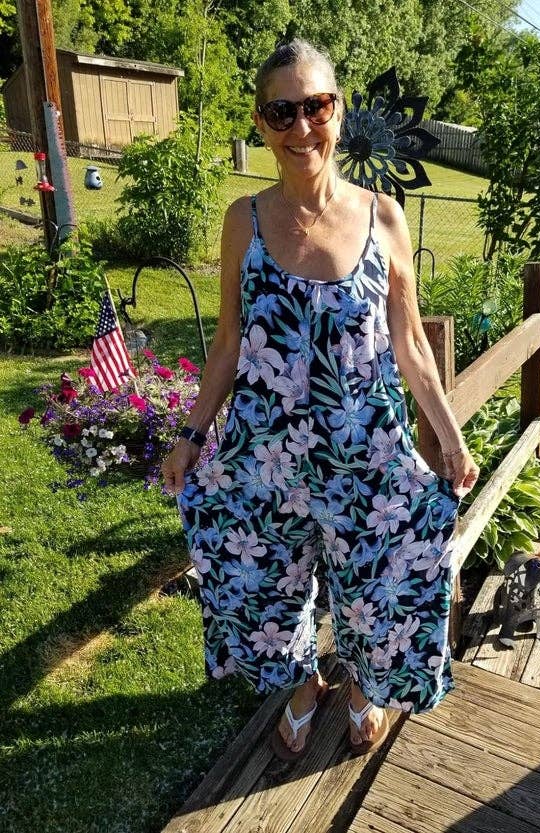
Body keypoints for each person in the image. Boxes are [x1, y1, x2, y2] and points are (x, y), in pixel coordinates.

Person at [161, 38, 479, 761]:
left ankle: (363, 687)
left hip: (365, 457)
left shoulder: (383, 218)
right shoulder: (243, 220)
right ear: (260, 122)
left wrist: (450, 436)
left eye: (316, 106)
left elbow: (411, 344)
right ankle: (304, 686)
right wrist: (191, 434)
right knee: (266, 592)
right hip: (263, 460)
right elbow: (228, 344)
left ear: (338, 109)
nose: (301, 127)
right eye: (282, 112)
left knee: (376, 590)